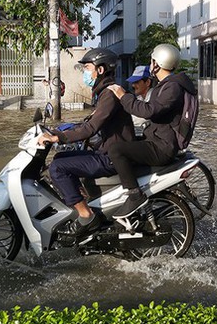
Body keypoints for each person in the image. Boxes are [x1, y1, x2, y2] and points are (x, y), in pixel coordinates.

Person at [37, 48, 135, 238]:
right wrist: (57, 131)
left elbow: (90, 128)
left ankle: (86, 215)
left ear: (100, 70)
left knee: (57, 168)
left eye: (87, 68)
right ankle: (81, 198)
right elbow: (90, 122)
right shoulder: (103, 92)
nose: (85, 73)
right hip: (107, 150)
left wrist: (59, 137)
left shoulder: (109, 94)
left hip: (112, 157)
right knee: (60, 157)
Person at [107, 44, 197, 218]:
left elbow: (149, 111)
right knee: (123, 142)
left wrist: (123, 96)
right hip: (157, 139)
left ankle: (134, 195)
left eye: (152, 60)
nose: (150, 64)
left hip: (162, 146)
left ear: (157, 63)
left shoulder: (172, 87)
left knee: (116, 149)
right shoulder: (165, 85)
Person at [126, 65, 154, 137]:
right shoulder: (139, 98)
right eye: (133, 82)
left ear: (147, 82)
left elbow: (140, 118)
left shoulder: (154, 98)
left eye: (136, 82)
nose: (133, 85)